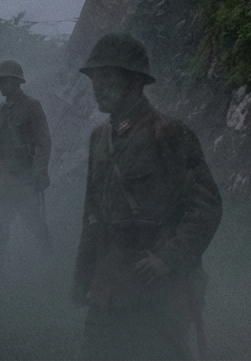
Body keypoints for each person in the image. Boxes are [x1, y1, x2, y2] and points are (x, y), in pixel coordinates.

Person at [72, 33, 221, 361]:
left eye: (107, 76)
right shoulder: (99, 139)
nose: (97, 85)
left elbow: (205, 205)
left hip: (155, 292)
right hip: (107, 287)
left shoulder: (168, 133)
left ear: (136, 81)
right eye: (95, 77)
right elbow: (92, 212)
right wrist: (83, 276)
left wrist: (169, 258)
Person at [0, 59, 53, 265]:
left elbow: (43, 142)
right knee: (1, 226)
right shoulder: (1, 109)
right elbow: (0, 147)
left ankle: (51, 261)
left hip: (25, 178)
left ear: (16, 82)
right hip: (5, 177)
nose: (0, 84)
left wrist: (40, 171)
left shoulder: (32, 106)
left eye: (3, 80)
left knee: (34, 222)